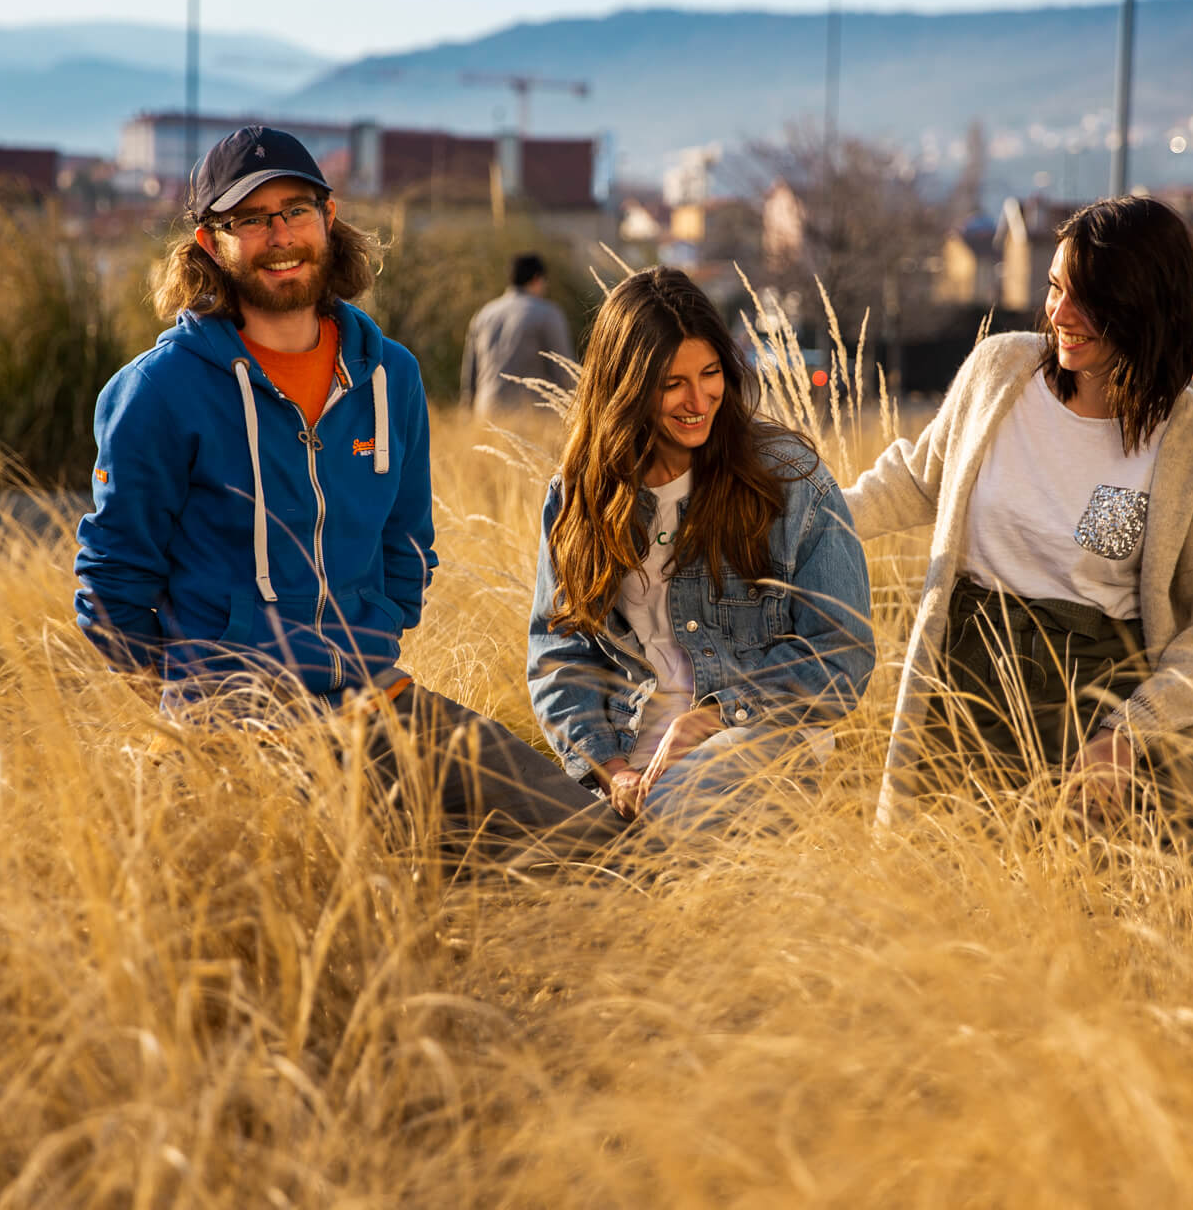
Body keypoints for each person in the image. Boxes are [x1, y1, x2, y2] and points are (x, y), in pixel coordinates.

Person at [74, 125, 622, 856]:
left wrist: (366, 640)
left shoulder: (389, 375)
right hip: (237, 733)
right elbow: (112, 588)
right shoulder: (157, 393)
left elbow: (407, 543)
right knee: (356, 884)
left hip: (377, 704)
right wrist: (191, 713)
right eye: (250, 220)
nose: (279, 236)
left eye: (295, 210)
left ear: (329, 220)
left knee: (598, 844)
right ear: (210, 243)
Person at [842, 195, 1193, 831]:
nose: (1059, 315)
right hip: (964, 674)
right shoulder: (999, 370)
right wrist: (801, 520)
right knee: (937, 900)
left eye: (1085, 300)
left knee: (1093, 903)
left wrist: (1129, 732)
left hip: (1098, 697)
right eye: (1055, 288)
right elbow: (918, 477)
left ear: (1144, 304)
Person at [527, 266, 875, 838]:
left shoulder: (790, 480)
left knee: (674, 821)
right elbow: (560, 655)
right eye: (671, 384)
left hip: (761, 740)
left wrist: (714, 716)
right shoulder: (580, 495)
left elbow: (844, 650)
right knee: (496, 822)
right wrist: (612, 773)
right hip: (625, 760)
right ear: (627, 389)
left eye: (710, 374)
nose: (698, 401)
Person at [460, 253, 575, 416]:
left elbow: (469, 375)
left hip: (486, 412)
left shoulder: (484, 314)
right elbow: (565, 372)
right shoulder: (548, 314)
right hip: (531, 416)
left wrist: (466, 413)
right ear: (537, 278)